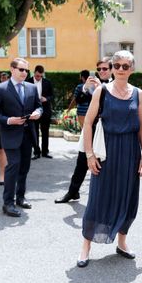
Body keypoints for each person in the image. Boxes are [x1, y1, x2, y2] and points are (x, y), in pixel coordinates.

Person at [77, 51, 142, 267]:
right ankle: (85, 246)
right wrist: (89, 154)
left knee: (127, 197)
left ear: (132, 69)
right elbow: (88, 123)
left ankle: (122, 241)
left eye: (125, 66)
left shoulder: (138, 93)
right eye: (116, 65)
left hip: (130, 151)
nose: (120, 69)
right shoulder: (102, 91)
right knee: (99, 198)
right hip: (106, 151)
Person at [0, 58, 42, 217]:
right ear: (12, 69)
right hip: (10, 135)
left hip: (27, 134)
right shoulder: (1, 88)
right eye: (21, 70)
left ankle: (20, 197)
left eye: (26, 70)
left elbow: (39, 105)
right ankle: (8, 203)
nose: (25, 73)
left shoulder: (31, 87)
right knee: (14, 166)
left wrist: (38, 112)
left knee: (24, 167)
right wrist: (8, 120)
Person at [55, 58, 111, 204]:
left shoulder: (114, 85)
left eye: (105, 69)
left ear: (111, 69)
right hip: (90, 128)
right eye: (99, 69)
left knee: (103, 163)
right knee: (81, 161)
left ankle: (102, 198)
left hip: (107, 131)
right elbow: (79, 101)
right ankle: (73, 192)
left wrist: (101, 89)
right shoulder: (92, 85)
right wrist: (85, 88)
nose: (101, 72)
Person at [28, 65, 54, 159]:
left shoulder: (47, 82)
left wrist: (46, 98)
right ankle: (36, 152)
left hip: (45, 110)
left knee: (45, 132)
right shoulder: (28, 81)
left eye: (41, 76)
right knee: (34, 132)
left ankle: (45, 152)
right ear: (34, 72)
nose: (39, 78)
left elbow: (52, 95)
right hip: (33, 110)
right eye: (37, 75)